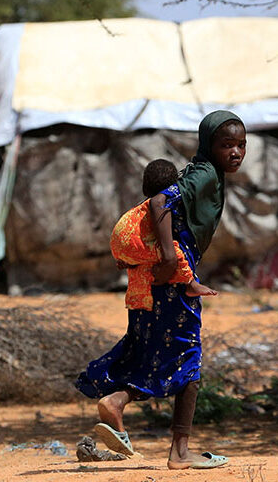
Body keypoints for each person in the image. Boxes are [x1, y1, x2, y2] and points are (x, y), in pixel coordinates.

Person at [75, 110, 247, 470]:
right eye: (226, 145)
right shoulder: (204, 174)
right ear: (208, 146)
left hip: (152, 284)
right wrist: (169, 257)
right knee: (189, 362)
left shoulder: (203, 171)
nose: (235, 152)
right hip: (172, 284)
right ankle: (179, 452)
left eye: (240, 145)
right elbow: (158, 202)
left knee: (153, 354)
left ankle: (117, 402)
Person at [111, 158, 217, 312]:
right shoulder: (160, 204)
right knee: (173, 250)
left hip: (121, 247)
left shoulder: (141, 208)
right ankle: (191, 284)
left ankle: (138, 301)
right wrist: (169, 263)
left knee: (148, 258)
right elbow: (169, 256)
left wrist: (128, 257)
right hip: (131, 246)